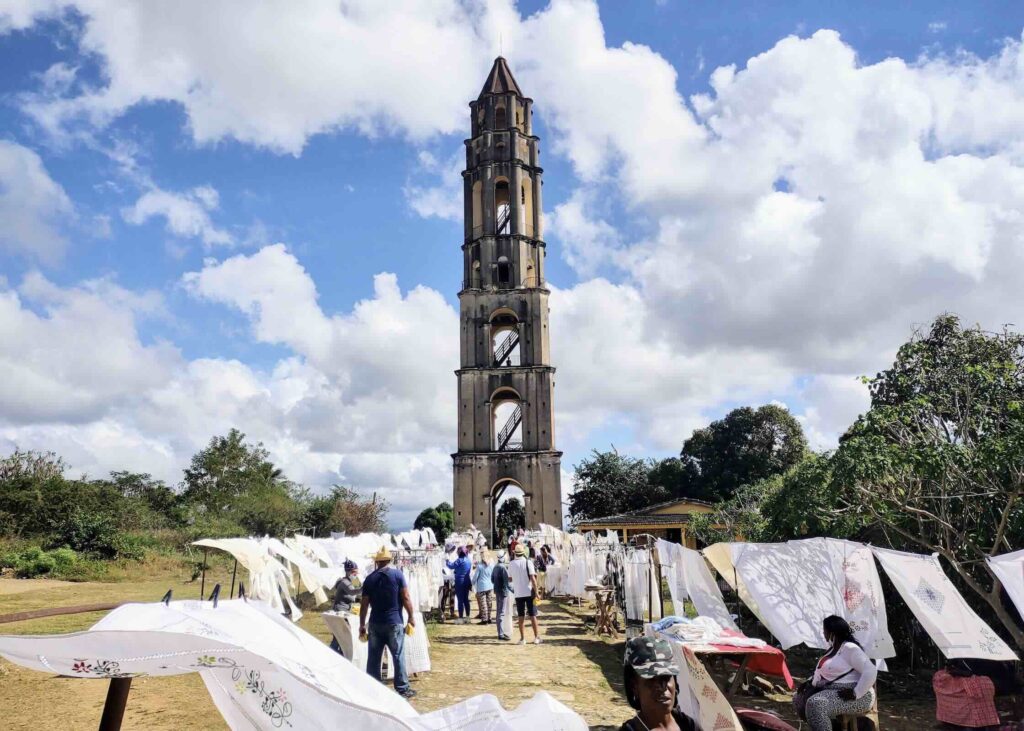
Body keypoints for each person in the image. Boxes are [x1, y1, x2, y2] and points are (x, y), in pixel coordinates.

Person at [359, 546, 417, 698]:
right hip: (394, 622)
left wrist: (361, 625)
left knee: (374, 657)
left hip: (375, 623)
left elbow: (364, 604)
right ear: (389, 560)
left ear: (377, 562)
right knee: (398, 656)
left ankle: (373, 687)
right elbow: (405, 597)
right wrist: (411, 616)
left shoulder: (370, 579)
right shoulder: (398, 575)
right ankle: (402, 688)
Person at [805, 616, 876, 731]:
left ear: (832, 632)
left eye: (825, 630)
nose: (823, 633)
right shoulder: (833, 649)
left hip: (858, 695)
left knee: (816, 704)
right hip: (835, 690)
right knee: (799, 699)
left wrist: (856, 692)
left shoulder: (850, 648)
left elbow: (871, 671)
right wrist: (810, 681)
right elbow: (823, 671)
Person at [619, 636, 696, 731]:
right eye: (652, 679)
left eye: (666, 677)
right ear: (634, 687)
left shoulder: (687, 724)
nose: (662, 687)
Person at [933, 659, 1000, 729]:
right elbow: (954, 666)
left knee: (972, 693)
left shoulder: (985, 659)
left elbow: (977, 672)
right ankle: (949, 721)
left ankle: (972, 723)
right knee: (943, 684)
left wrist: (963, 672)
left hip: (988, 680)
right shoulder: (961, 656)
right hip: (963, 679)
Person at [509, 544, 541, 644]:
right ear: (523, 553)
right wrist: (537, 592)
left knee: (521, 617)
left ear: (515, 553)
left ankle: (523, 639)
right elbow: (533, 579)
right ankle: (536, 637)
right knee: (533, 615)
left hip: (518, 593)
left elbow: (510, 578)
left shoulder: (511, 564)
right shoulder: (528, 562)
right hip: (528, 591)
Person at [328, 559, 361, 656]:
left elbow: (360, 591)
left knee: (345, 636)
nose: (356, 574)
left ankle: (342, 654)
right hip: (340, 611)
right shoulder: (344, 582)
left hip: (348, 611)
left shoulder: (354, 580)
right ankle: (332, 654)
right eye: (354, 572)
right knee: (339, 636)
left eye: (356, 572)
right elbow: (353, 592)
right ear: (348, 572)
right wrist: (366, 587)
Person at [446, 547, 473, 623]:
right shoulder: (468, 560)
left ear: (460, 552)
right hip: (467, 580)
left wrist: (446, 560)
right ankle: (467, 617)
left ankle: (461, 618)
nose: (457, 552)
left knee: (460, 600)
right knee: (466, 599)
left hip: (460, 581)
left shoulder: (459, 560)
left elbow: (451, 566)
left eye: (458, 551)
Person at [491, 551, 512, 641]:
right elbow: (507, 583)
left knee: (498, 612)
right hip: (503, 592)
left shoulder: (495, 567)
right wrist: (514, 590)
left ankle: (500, 632)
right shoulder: (503, 568)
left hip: (497, 591)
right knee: (502, 613)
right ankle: (501, 634)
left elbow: (492, 579)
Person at [473, 552, 494, 624]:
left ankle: (484, 619)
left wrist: (472, 583)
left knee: (483, 603)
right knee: (489, 603)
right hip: (490, 586)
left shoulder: (479, 566)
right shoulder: (491, 565)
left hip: (482, 586)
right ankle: (489, 618)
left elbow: (475, 577)